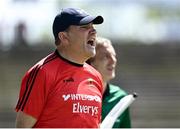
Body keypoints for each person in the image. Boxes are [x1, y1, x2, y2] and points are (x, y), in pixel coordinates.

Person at [15, 8, 104, 128]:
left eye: (93, 27)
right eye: (84, 27)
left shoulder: (96, 76)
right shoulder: (43, 72)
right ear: (64, 37)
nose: (93, 31)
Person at [87, 37, 131, 128]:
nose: (113, 60)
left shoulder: (121, 97)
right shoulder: (77, 96)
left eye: (114, 56)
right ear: (90, 62)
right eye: (105, 56)